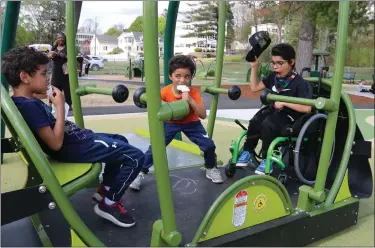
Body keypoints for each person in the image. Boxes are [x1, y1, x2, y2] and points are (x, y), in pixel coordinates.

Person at [2, 46, 145, 228]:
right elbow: (55, 144)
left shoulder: (24, 102)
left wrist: (42, 96)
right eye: (44, 74)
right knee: (136, 157)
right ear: (25, 77)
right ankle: (109, 204)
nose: (47, 78)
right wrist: (61, 106)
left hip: (77, 140)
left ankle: (105, 190)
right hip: (75, 146)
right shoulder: (29, 106)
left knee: (120, 140)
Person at [129, 55, 224, 190]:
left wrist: (190, 100)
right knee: (155, 147)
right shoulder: (165, 92)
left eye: (187, 77)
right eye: (178, 76)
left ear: (190, 77)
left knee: (209, 145)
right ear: (170, 76)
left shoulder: (193, 93)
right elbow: (155, 108)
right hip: (170, 123)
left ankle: (211, 168)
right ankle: (140, 173)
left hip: (191, 124)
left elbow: (202, 115)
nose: (182, 80)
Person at [236, 43, 313, 175]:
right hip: (273, 113)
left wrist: (285, 102)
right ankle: (247, 152)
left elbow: (307, 108)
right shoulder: (273, 78)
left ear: (291, 62)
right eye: (273, 63)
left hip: (290, 118)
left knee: (269, 123)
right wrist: (254, 67)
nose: (275, 66)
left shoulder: (300, 83)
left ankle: (267, 160)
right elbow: (254, 88)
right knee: (256, 120)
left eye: (280, 63)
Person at [47, 32, 72, 110]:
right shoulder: (54, 48)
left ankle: (69, 105)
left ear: (64, 39)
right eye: (59, 38)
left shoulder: (68, 48)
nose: (60, 39)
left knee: (67, 88)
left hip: (65, 71)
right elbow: (49, 56)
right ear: (57, 39)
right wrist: (51, 55)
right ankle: (50, 104)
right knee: (54, 87)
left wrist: (60, 55)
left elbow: (70, 56)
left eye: (62, 37)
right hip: (55, 70)